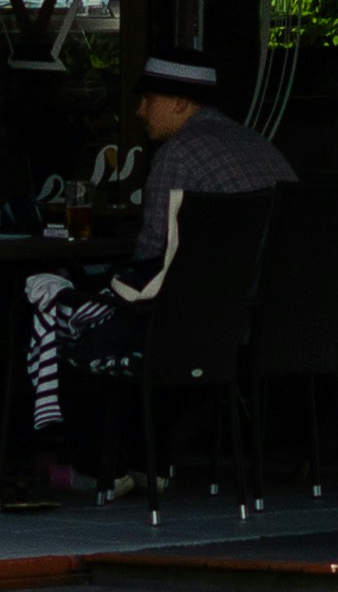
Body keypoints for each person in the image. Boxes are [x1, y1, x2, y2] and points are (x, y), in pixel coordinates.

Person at [21, 49, 293, 489]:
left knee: (69, 318)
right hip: (267, 320)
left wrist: (91, 282)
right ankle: (150, 462)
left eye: (148, 99)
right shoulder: (263, 149)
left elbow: (151, 259)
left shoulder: (179, 155)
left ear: (181, 103)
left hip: (195, 329)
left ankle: (97, 467)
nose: (138, 110)